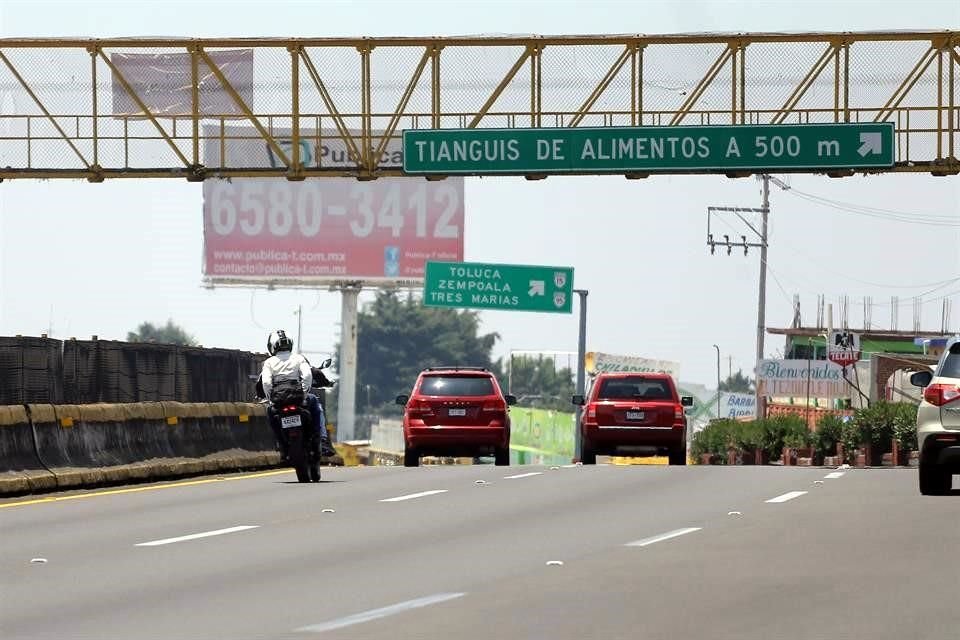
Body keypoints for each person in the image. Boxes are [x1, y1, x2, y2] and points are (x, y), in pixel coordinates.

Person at [261, 329, 335, 459]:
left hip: (279, 401)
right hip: (298, 398)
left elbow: (265, 383)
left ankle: (281, 444)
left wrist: (271, 399)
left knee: (270, 412)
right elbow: (307, 376)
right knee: (317, 406)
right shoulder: (299, 358)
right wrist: (304, 393)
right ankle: (323, 440)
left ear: (271, 346)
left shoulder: (268, 363)